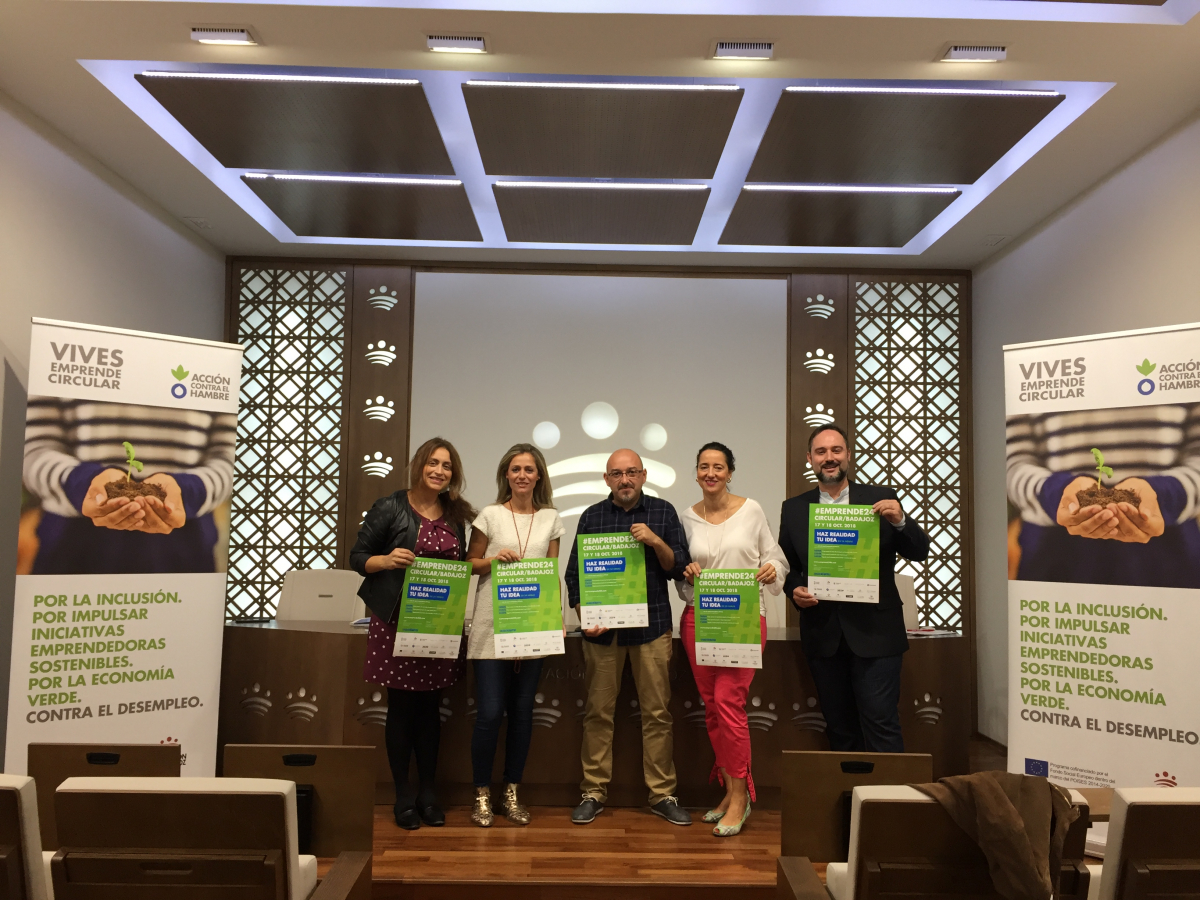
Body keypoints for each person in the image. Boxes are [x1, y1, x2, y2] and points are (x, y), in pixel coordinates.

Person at [778, 424, 930, 753]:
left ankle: (887, 790)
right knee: (839, 728)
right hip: (823, 635)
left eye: (836, 450)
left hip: (877, 633)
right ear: (809, 459)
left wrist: (900, 521)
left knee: (881, 724)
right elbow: (787, 566)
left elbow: (919, 551)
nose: (829, 458)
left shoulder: (880, 498)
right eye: (821, 452)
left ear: (848, 454)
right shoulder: (794, 508)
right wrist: (795, 590)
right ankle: (851, 789)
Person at [350, 437, 475, 830]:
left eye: (447, 465)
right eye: (433, 463)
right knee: (402, 710)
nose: (439, 470)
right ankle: (403, 796)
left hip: (439, 623)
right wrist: (386, 560)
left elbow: (463, 565)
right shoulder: (391, 507)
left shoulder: (455, 514)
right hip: (396, 622)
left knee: (431, 710)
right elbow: (356, 558)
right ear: (419, 465)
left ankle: (428, 794)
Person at [564, 448, 692, 826]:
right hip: (603, 636)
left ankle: (662, 794)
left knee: (657, 715)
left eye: (632, 472)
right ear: (607, 479)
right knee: (597, 714)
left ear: (643, 475)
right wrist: (585, 616)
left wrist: (655, 541)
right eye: (617, 474)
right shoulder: (592, 516)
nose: (625, 480)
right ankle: (593, 791)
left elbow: (678, 568)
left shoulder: (663, 512)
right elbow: (574, 576)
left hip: (651, 630)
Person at [678, 442, 788, 837]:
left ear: (729, 472)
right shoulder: (686, 518)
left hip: (743, 618)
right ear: (696, 473)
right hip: (699, 619)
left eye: (718, 467)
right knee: (712, 707)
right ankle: (729, 790)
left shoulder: (751, 510)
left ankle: (741, 797)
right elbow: (681, 580)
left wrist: (771, 569)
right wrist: (687, 573)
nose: (711, 473)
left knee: (729, 702)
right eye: (704, 466)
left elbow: (775, 557)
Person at [464, 443, 566, 828]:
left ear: (539, 476)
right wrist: (493, 560)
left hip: (532, 626)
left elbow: (551, 573)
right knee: (490, 713)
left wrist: (555, 619)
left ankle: (511, 792)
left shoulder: (551, 519)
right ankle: (481, 794)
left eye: (529, 469)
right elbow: (470, 565)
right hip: (491, 627)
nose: (522, 475)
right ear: (506, 475)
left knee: (522, 714)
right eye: (516, 469)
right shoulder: (489, 515)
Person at [21, 397, 235, 573]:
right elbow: (35, 449)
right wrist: (83, 483)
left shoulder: (215, 365)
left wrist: (189, 491)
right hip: (74, 540)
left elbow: (231, 457)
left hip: (184, 540)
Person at [1006, 403, 1200, 587]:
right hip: (1055, 547)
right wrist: (1056, 493)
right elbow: (1014, 463)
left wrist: (1164, 495)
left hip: (1168, 547)